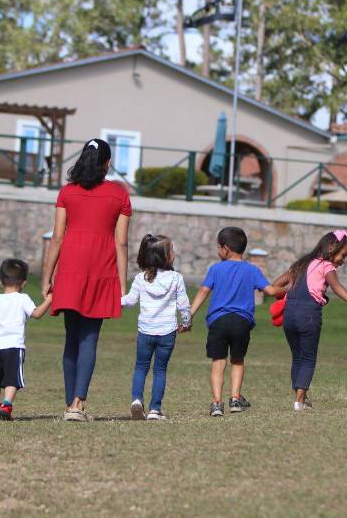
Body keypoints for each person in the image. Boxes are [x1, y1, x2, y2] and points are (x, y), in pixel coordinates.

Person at [41, 138, 131, 422]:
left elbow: (57, 237)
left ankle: (70, 405)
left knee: (71, 337)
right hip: (102, 268)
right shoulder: (119, 195)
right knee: (90, 337)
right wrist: (123, 284)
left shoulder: (67, 192)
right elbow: (121, 243)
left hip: (70, 267)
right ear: (108, 163)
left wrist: (47, 277)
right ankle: (79, 403)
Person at [190, 227, 284, 417]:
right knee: (238, 360)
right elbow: (271, 291)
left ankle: (217, 403)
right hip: (242, 322)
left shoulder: (216, 269)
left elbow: (203, 291)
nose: (217, 250)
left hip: (218, 321)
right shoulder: (252, 270)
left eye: (218, 247)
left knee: (218, 361)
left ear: (225, 249)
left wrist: (189, 314)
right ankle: (235, 399)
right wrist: (288, 287)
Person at [276, 230, 347, 412]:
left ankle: (300, 397)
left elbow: (276, 284)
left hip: (289, 314)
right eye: (343, 255)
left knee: (297, 357)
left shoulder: (301, 264)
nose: (343, 260)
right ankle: (299, 402)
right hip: (309, 314)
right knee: (308, 358)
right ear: (331, 248)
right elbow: (336, 287)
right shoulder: (326, 266)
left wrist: (290, 295)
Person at [121, 234, 191, 421]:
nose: (174, 253)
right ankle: (155, 409)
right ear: (165, 256)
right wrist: (186, 323)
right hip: (167, 332)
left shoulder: (140, 278)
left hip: (145, 331)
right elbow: (184, 305)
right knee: (160, 369)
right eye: (172, 250)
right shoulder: (176, 278)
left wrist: (111, 302)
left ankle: (137, 400)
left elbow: (129, 301)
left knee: (140, 367)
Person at [0, 259, 52, 421]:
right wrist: (49, 300)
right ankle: (6, 405)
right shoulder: (23, 298)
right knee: (12, 379)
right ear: (24, 282)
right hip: (14, 347)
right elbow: (36, 314)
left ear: (0, 281)